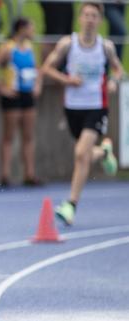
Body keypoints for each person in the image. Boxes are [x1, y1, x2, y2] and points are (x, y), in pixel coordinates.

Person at [42, 1, 124, 226]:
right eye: (86, 15)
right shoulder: (68, 44)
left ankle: (71, 204)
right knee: (85, 154)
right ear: (80, 18)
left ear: (99, 20)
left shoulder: (105, 47)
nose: (89, 19)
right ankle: (104, 153)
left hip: (97, 106)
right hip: (73, 107)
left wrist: (114, 82)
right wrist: (67, 80)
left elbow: (118, 68)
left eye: (94, 16)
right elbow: (47, 68)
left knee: (79, 153)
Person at [0, 17, 43, 187]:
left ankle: (29, 174)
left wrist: (37, 85)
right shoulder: (8, 48)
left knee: (29, 136)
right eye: (31, 28)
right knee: (9, 136)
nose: (33, 31)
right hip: (13, 95)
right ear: (22, 29)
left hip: (28, 95)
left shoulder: (32, 48)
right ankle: (5, 174)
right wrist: (1, 88)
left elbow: (38, 69)